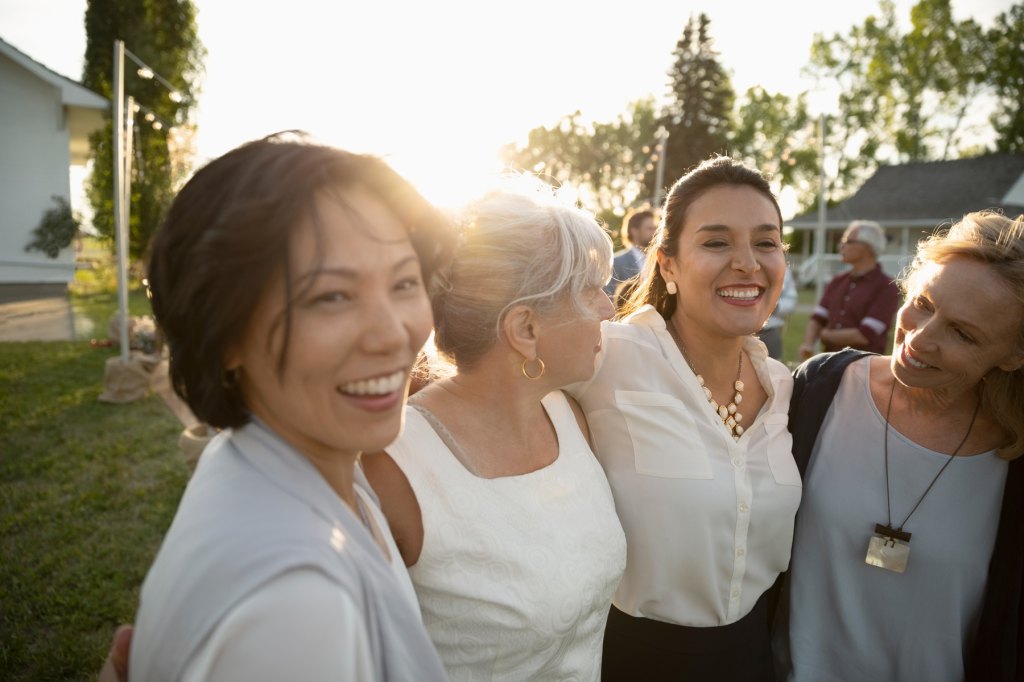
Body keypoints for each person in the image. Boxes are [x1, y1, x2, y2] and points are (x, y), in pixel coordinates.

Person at [125, 133, 452, 680]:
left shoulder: (280, 463)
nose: (393, 335)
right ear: (225, 332)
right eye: (331, 297)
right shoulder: (297, 607)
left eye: (404, 281)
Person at [362, 180, 627, 680]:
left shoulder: (569, 418)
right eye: (590, 291)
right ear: (525, 329)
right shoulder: (394, 466)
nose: (609, 310)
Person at [568, 155, 800, 680]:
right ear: (668, 264)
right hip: (630, 658)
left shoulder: (785, 387)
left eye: (766, 242)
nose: (748, 262)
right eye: (717, 242)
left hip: (751, 657)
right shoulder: (607, 355)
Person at [778, 210, 1024, 680]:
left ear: (1014, 355)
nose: (920, 338)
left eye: (963, 333)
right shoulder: (819, 389)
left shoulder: (1013, 459)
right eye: (924, 304)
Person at [799, 219, 900, 360]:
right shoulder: (837, 281)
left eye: (848, 241)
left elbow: (864, 335)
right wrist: (808, 344)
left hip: (865, 369)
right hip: (830, 364)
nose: (841, 246)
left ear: (867, 247)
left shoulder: (886, 287)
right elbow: (818, 318)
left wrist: (825, 335)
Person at [604, 207, 656, 297]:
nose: (654, 232)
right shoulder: (616, 262)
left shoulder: (658, 260)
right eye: (649, 228)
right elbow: (609, 297)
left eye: (655, 228)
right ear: (634, 231)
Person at [757, 265, 797, 361]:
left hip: (769, 332)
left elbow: (791, 300)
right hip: (738, 334)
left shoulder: (783, 271)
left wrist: (776, 307)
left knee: (773, 370)